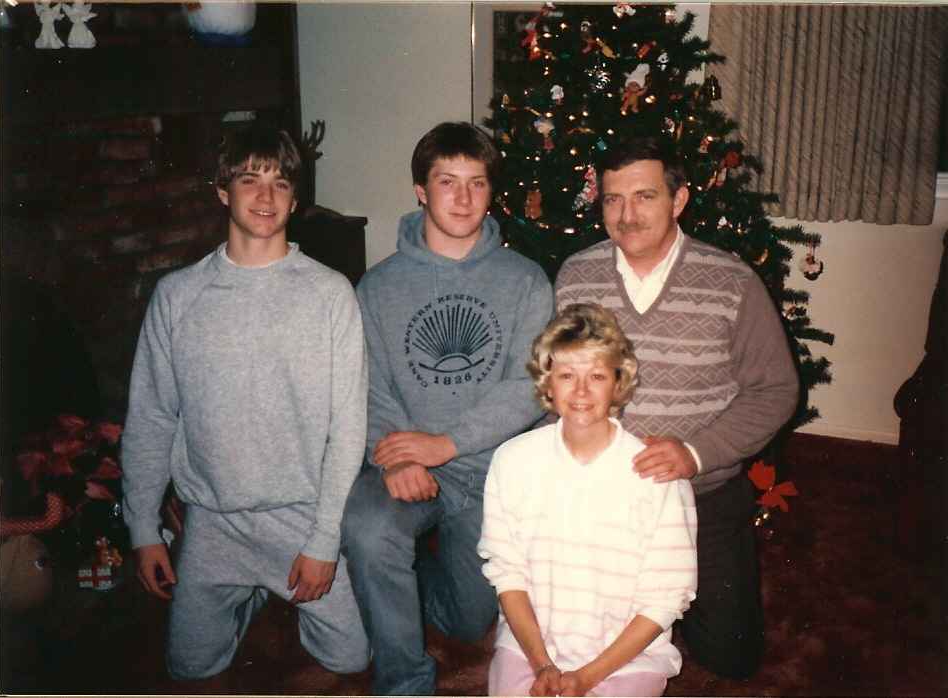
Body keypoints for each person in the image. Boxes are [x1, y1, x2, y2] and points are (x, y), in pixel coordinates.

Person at [121, 124, 369, 683]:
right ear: (221, 191)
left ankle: (278, 593)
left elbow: (349, 425)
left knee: (351, 658)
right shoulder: (178, 296)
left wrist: (325, 539)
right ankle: (251, 596)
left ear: (295, 199)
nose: (265, 197)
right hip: (212, 522)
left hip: (299, 516)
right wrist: (142, 528)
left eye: (281, 184)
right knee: (190, 668)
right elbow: (152, 416)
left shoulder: (331, 294)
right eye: (249, 180)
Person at [555, 137, 799, 680]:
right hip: (603, 498)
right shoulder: (577, 276)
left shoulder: (731, 281)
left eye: (644, 196)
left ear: (680, 200)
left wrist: (694, 453)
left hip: (702, 493)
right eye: (613, 199)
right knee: (579, 643)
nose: (627, 214)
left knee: (732, 657)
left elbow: (776, 390)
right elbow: (557, 384)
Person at [340, 121, 554, 695]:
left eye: (477, 183)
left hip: (491, 476)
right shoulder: (377, 287)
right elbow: (369, 385)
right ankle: (404, 682)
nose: (462, 198)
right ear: (420, 189)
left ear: (491, 192)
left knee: (466, 621)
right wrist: (392, 459)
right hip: (407, 463)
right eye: (447, 181)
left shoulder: (527, 280)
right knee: (364, 526)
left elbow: (530, 384)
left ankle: (408, 583)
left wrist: (448, 444)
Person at [478, 302, 698, 697]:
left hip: (627, 657)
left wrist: (587, 677)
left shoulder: (655, 473)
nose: (580, 391)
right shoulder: (512, 460)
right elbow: (507, 571)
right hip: (531, 647)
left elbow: (667, 595)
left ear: (618, 382)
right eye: (566, 375)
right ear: (548, 384)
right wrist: (542, 663)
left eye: (596, 375)